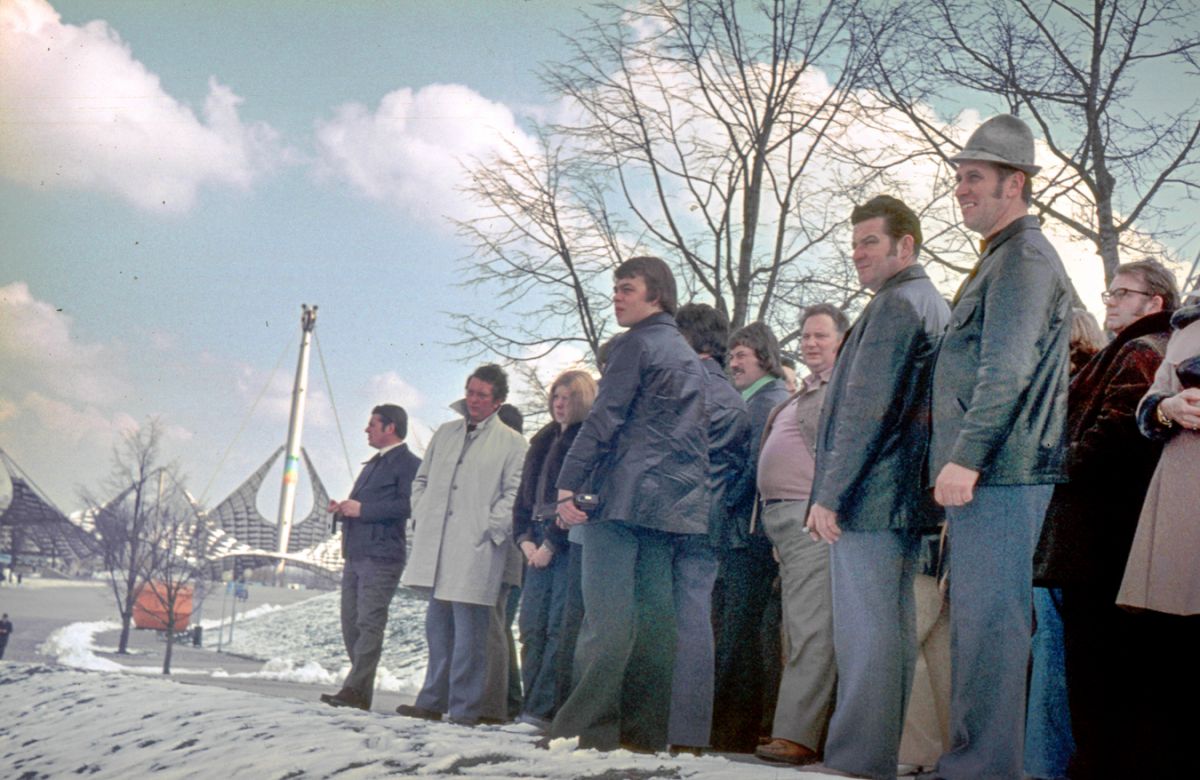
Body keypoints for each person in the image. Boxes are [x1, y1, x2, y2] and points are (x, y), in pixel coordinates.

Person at [927, 114, 1072, 779]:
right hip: (996, 474)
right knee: (980, 628)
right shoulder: (1002, 257)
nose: (961, 188)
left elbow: (1006, 369)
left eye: (974, 177)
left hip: (1004, 475)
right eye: (959, 177)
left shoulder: (1022, 259)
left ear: (1015, 184)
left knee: (991, 631)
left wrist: (967, 456)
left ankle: (980, 770)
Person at [801, 196, 951, 779]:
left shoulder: (896, 305)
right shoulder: (925, 301)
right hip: (899, 496)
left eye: (870, 241)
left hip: (873, 496)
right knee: (888, 633)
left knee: (866, 636)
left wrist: (829, 494)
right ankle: (869, 758)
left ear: (904, 245)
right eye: (855, 243)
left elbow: (868, 410)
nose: (858, 253)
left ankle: (856, 762)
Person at [550, 256, 708, 752]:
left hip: (618, 499)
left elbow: (604, 419)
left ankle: (583, 729)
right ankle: (642, 734)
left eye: (626, 289)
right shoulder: (687, 355)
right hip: (667, 507)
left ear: (655, 295)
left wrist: (568, 484)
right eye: (615, 288)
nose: (616, 297)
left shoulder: (633, 345)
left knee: (607, 623)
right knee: (655, 623)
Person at [1033, 259, 1178, 778]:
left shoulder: (1143, 351)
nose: (1110, 301)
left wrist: (1050, 459)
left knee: (1097, 679)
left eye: (1122, 293)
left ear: (1154, 302)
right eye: (1109, 292)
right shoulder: (1137, 349)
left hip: (1099, 541)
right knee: (1104, 678)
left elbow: (1116, 439)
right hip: (1105, 539)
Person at [398, 365, 528, 726]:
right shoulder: (446, 433)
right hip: (439, 545)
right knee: (438, 628)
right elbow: (421, 480)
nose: (473, 400)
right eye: (470, 391)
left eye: (482, 395)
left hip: (477, 547)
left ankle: (465, 708)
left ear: (498, 401)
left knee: (471, 636)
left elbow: (513, 494)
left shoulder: (512, 443)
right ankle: (431, 700)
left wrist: (489, 529)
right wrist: (422, 510)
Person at [754, 302, 848, 766]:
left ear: (842, 341)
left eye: (821, 336)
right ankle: (790, 724)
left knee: (811, 626)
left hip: (811, 518)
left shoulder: (843, 388)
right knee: (794, 627)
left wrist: (823, 505)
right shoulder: (802, 393)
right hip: (781, 523)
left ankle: (798, 734)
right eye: (806, 336)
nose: (810, 343)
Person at [1114, 286, 1200, 776]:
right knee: (1173, 663)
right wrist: (1169, 409)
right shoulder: (1188, 327)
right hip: (1184, 503)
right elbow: (1151, 404)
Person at [670, 303, 751, 753]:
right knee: (696, 618)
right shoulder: (733, 397)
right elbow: (738, 469)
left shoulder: (684, 388)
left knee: (678, 620)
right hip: (711, 517)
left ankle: (670, 726)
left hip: (672, 518)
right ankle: (689, 730)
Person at [711, 321, 791, 753]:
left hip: (748, 533)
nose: (733, 362)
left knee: (740, 633)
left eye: (741, 354)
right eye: (731, 355)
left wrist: (723, 503)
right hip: (740, 530)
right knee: (734, 630)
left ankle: (734, 729)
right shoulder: (749, 399)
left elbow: (752, 463)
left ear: (764, 356)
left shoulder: (767, 400)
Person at [511, 370, 598, 731]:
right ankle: (529, 705)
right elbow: (523, 499)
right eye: (556, 397)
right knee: (531, 627)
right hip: (534, 540)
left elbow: (581, 500)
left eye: (568, 398)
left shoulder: (587, 439)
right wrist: (525, 540)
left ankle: (544, 709)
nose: (560, 404)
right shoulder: (543, 439)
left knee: (557, 628)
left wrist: (550, 542)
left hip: (565, 542)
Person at [320, 404, 421, 711]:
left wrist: (362, 509)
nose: (367, 429)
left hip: (381, 556)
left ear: (390, 428)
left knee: (368, 623)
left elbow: (409, 505)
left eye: (372, 424)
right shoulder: (373, 464)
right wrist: (344, 510)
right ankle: (358, 691)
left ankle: (355, 690)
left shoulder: (409, 464)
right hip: (357, 553)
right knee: (351, 623)